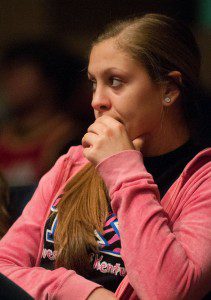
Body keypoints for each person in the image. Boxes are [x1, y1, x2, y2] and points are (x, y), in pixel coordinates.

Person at [0, 13, 210, 300]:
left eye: (115, 81)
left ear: (169, 89)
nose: (96, 100)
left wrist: (123, 167)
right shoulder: (72, 163)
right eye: (93, 82)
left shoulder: (204, 182)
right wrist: (85, 294)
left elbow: (167, 291)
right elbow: (3, 266)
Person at [0, 39, 88, 186]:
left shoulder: (71, 141)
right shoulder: (5, 133)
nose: (9, 81)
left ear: (49, 79)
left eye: (19, 72)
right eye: (9, 72)